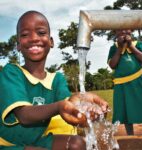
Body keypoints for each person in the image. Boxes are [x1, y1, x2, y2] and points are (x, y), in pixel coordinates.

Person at [0, 10, 108, 150]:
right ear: (18, 45)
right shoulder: (12, 72)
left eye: (41, 32)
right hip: (7, 144)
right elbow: (24, 115)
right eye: (25, 34)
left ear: (51, 42)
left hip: (36, 140)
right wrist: (59, 107)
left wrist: (84, 106)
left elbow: (69, 105)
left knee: (77, 144)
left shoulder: (57, 79)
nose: (34, 38)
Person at [107, 29, 142, 135]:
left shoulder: (138, 44)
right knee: (123, 113)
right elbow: (112, 65)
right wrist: (120, 48)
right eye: (121, 29)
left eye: (127, 29)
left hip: (137, 82)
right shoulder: (114, 48)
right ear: (116, 33)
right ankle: (127, 136)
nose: (124, 31)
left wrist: (131, 46)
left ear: (131, 31)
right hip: (121, 85)